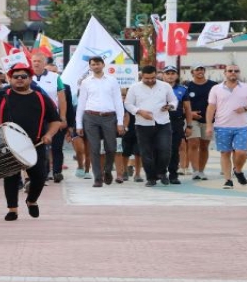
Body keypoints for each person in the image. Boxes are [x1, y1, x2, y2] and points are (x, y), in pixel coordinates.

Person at [0, 63, 61, 221]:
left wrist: (49, 134)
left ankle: (31, 200)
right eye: (15, 77)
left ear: (30, 79)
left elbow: (55, 121)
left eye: (23, 77)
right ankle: (12, 210)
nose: (19, 79)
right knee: (11, 177)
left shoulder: (41, 98)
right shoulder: (1, 96)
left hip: (34, 144)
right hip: (5, 145)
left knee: (39, 176)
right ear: (10, 79)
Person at [124, 65, 178, 187]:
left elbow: (174, 100)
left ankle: (162, 172)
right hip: (143, 124)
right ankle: (151, 177)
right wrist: (139, 111)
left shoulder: (165, 86)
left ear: (156, 74)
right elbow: (128, 104)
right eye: (147, 78)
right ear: (141, 76)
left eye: (153, 77)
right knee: (146, 152)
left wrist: (170, 106)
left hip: (163, 122)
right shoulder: (134, 88)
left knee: (165, 150)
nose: (150, 80)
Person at [205, 65, 247, 189]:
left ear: (239, 73)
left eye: (236, 71)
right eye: (230, 71)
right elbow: (211, 107)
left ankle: (238, 170)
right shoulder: (216, 88)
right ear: (225, 73)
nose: (233, 73)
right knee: (225, 153)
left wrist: (244, 108)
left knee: (241, 152)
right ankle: (228, 180)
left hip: (241, 126)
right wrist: (209, 125)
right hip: (222, 126)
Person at [75, 56, 125, 187]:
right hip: (90, 117)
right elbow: (81, 103)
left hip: (109, 117)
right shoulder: (86, 82)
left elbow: (118, 102)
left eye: (98, 64)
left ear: (103, 65)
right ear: (90, 67)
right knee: (94, 148)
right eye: (93, 64)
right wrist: (79, 124)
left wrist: (120, 122)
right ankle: (98, 177)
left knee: (111, 147)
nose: (95, 66)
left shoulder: (112, 81)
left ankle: (108, 170)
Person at [31, 52, 68, 183]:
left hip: (53, 117)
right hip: (35, 118)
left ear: (44, 63)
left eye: (39, 61)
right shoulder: (26, 77)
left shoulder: (55, 77)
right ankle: (44, 173)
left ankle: (57, 171)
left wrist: (62, 117)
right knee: (40, 146)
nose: (36, 63)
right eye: (34, 60)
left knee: (56, 146)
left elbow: (62, 99)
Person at [162, 65, 193, 184]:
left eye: (172, 73)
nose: (170, 76)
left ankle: (173, 174)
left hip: (176, 122)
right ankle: (161, 172)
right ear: (163, 75)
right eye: (167, 73)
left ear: (177, 75)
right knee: (161, 148)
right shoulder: (157, 88)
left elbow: (187, 109)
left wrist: (189, 125)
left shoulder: (183, 89)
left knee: (174, 149)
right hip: (160, 122)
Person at [186, 64, 217, 180]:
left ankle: (201, 170)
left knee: (204, 145)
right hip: (192, 119)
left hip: (208, 120)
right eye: (197, 69)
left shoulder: (213, 85)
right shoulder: (187, 86)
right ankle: (195, 171)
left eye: (201, 69)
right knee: (193, 143)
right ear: (192, 72)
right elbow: (184, 103)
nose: (200, 71)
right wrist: (190, 113)